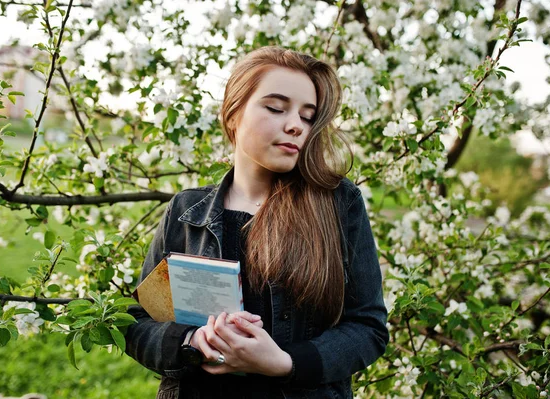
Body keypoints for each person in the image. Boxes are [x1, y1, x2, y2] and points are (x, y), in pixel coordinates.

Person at [125, 46, 389, 399]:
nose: (295, 125)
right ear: (234, 114)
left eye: (308, 116)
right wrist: (191, 340)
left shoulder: (339, 205)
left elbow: (368, 328)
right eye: (276, 108)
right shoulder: (186, 212)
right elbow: (138, 322)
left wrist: (282, 362)